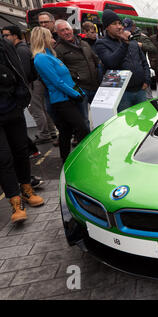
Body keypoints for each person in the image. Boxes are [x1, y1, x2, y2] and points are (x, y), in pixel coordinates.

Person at [1, 36, 45, 223]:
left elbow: (19, 71)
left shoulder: (4, 45)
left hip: (12, 109)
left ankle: (26, 188)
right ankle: (15, 200)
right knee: (3, 158)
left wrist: (21, 97)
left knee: (20, 150)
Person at [31, 27, 89, 163]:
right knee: (81, 129)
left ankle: (66, 160)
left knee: (65, 131)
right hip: (62, 100)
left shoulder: (50, 55)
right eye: (50, 37)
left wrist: (78, 91)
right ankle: (81, 158)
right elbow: (57, 81)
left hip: (68, 97)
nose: (53, 39)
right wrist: (75, 94)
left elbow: (66, 79)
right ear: (43, 39)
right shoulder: (41, 58)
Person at [95, 10, 151, 112]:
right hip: (122, 94)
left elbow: (144, 62)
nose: (119, 26)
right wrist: (124, 44)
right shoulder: (101, 44)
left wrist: (147, 80)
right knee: (126, 124)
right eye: (114, 24)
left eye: (120, 23)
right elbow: (111, 62)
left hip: (141, 90)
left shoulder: (133, 42)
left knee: (143, 120)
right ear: (107, 27)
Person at [55, 20, 100, 130]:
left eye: (67, 29)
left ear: (72, 30)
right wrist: (75, 79)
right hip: (79, 88)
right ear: (58, 33)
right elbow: (61, 71)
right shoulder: (58, 49)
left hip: (95, 85)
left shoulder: (84, 43)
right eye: (62, 30)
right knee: (84, 120)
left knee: (101, 114)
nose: (66, 32)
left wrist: (99, 75)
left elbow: (96, 60)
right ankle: (87, 144)